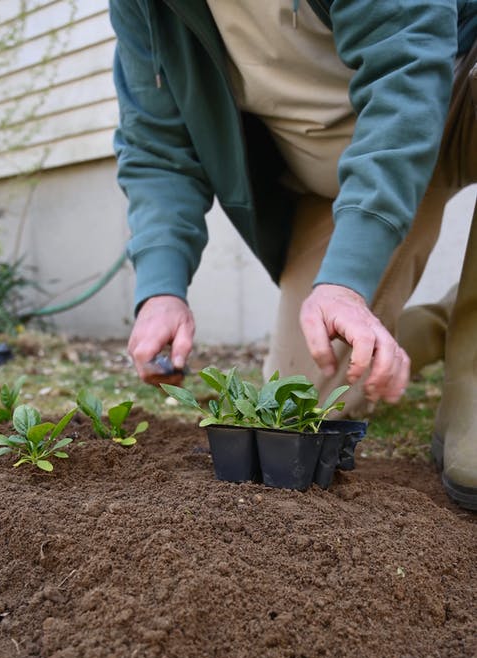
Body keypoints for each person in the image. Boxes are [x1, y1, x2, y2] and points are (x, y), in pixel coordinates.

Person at [108, 0, 477, 510]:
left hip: (448, 94)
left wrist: (346, 279)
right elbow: (155, 144)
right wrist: (161, 288)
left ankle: (472, 353)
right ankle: (435, 325)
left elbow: (407, 70)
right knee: (299, 407)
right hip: (331, 179)